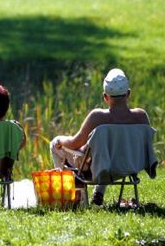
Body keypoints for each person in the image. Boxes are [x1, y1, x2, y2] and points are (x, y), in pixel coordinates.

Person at [50, 68, 150, 206]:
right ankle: (99, 192)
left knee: (55, 143)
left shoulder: (97, 117)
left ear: (105, 96)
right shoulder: (141, 117)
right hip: (128, 167)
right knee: (106, 150)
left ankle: (68, 194)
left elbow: (74, 143)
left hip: (97, 168)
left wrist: (60, 141)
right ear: (128, 94)